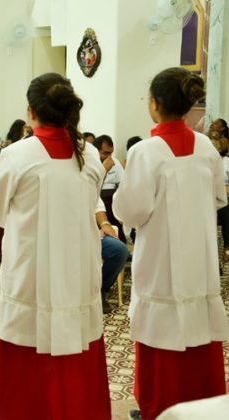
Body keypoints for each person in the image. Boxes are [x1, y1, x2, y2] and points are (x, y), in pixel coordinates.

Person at [0, 73, 110, 419]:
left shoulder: (16, 155)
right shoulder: (90, 154)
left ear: (31, 111)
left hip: (31, 272)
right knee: (77, 365)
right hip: (78, 272)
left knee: (29, 367)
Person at [112, 67, 229, 420]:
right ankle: (202, 407)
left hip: (161, 262)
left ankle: (159, 409)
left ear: (155, 104)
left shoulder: (146, 152)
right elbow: (219, 198)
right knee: (200, 337)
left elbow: (131, 211)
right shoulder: (206, 147)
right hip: (200, 262)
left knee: (160, 342)